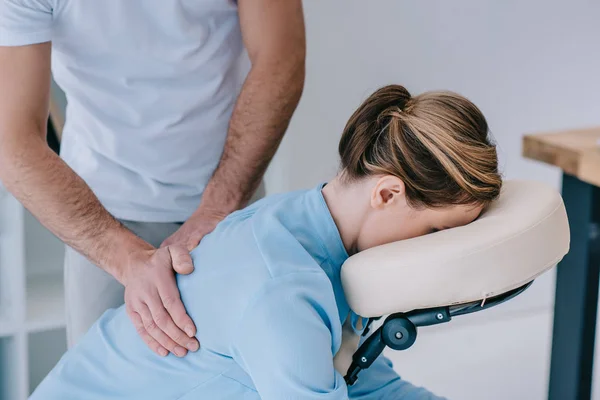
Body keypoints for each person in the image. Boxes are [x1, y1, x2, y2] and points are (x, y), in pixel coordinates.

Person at [30, 85, 502, 399]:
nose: (435, 248)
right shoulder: (285, 288)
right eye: (437, 231)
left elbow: (368, 384)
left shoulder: (311, 228)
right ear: (387, 193)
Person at [0, 0, 306, 357]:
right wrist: (125, 258)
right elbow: (13, 143)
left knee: (251, 373)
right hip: (103, 218)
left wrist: (218, 207)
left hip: (232, 198)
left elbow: (281, 58)